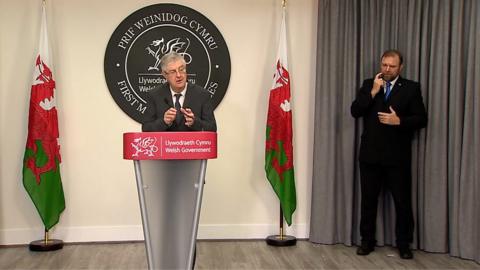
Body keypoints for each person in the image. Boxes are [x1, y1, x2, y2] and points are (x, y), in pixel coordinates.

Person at [351, 50, 427, 259]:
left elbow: (421, 119)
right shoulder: (369, 84)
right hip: (370, 155)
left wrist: (400, 121)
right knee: (368, 201)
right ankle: (367, 241)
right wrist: (373, 92)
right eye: (384, 65)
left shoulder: (411, 88)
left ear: (400, 67)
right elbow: (355, 111)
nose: (386, 69)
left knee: (402, 202)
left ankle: (403, 244)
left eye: (391, 66)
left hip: (397, 157)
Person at [142, 51, 217, 132]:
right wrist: (164, 122)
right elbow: (146, 129)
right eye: (173, 72)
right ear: (164, 74)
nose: (179, 75)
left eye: (181, 69)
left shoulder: (202, 95)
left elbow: (212, 129)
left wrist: (194, 122)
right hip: (165, 144)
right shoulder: (154, 95)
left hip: (193, 143)